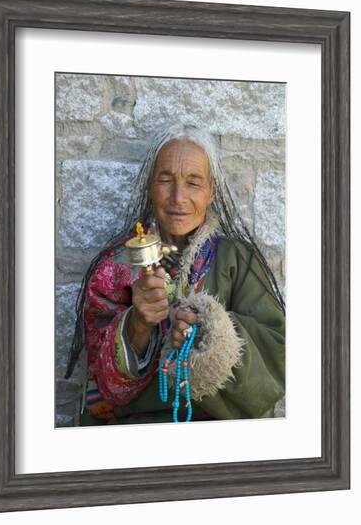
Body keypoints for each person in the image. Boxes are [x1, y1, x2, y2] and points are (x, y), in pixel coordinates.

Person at [64, 124, 285, 425]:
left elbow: (277, 353)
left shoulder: (238, 261)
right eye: (166, 180)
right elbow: (101, 378)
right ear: (150, 186)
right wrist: (138, 324)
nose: (178, 197)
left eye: (194, 183)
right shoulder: (115, 266)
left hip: (218, 433)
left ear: (211, 192)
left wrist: (209, 330)